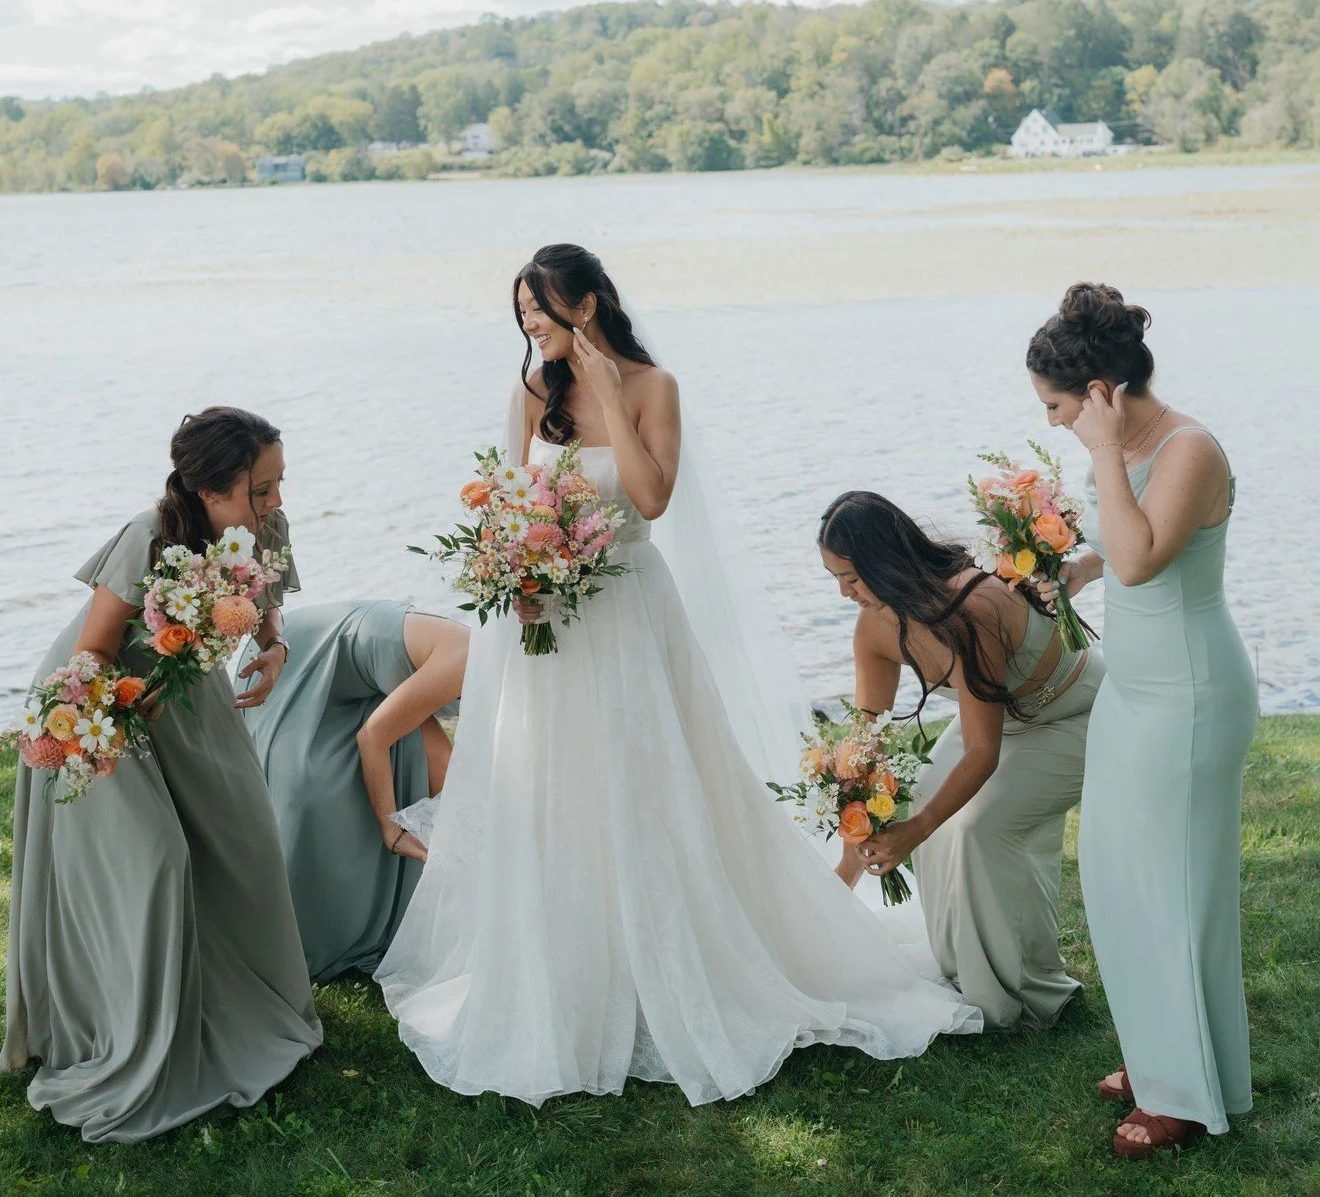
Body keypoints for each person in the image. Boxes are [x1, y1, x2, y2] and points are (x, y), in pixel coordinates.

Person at [375, 243, 981, 1107]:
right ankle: (565, 976)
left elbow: (652, 498)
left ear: (587, 305)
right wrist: (517, 573)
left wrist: (608, 393)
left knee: (642, 781)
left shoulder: (654, 388)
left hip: (627, 611)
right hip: (542, 622)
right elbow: (509, 501)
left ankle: (672, 967)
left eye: (541, 309)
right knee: (552, 786)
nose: (530, 325)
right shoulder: (530, 391)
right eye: (521, 314)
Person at [0, 407, 322, 1142]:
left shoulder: (266, 524)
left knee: (244, 843)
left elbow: (267, 599)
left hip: (188, 698)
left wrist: (272, 648)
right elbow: (91, 651)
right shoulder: (148, 537)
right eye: (260, 489)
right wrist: (114, 712)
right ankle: (134, 1032)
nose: (275, 502)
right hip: (103, 704)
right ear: (209, 491)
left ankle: (242, 1005)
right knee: (159, 861)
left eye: (278, 483)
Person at [1028, 282, 1257, 1160]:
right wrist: (1075, 569)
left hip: (1189, 696)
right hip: (1134, 690)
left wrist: (1098, 455)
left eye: (1057, 406)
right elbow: (1118, 552)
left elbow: (1142, 557)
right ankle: (1161, 1045)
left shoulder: (1189, 448)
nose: (1052, 422)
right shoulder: (1126, 442)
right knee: (1119, 872)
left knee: (1176, 886)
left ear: (1100, 393)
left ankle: (1185, 1092)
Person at [818, 491, 1102, 1028]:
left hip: (1075, 714)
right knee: (920, 800)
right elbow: (868, 742)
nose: (843, 593)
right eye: (834, 578)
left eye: (851, 578)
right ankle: (963, 973)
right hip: (1000, 721)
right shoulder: (875, 626)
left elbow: (982, 754)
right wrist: (850, 858)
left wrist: (916, 830)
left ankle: (1027, 992)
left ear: (884, 562)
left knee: (976, 828)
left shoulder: (971, 607)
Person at [243, 600, 468, 980]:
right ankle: (325, 919)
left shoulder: (491, 668)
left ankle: (432, 899)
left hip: (362, 665)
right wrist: (391, 830)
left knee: (441, 767)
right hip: (301, 650)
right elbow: (372, 738)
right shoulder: (465, 664)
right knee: (310, 786)